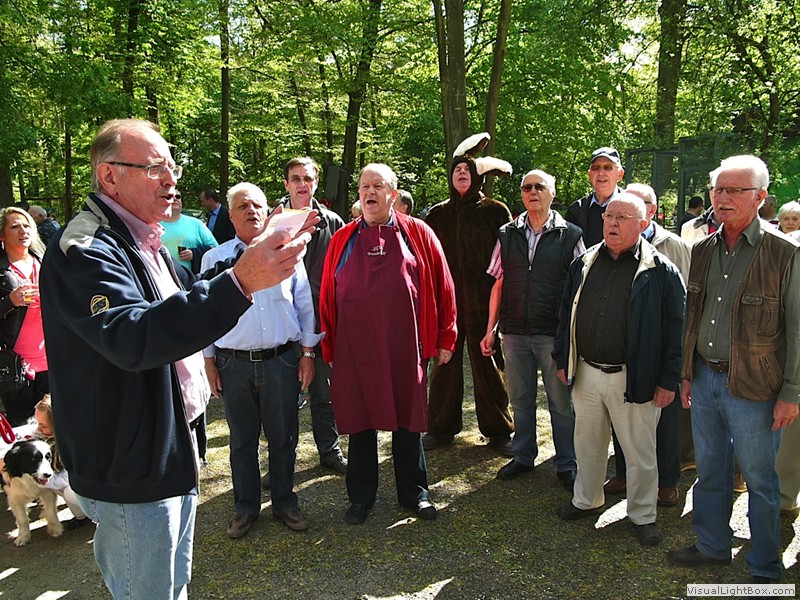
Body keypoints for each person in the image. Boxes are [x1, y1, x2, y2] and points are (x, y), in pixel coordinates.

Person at [40, 118, 316, 599]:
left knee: (173, 585)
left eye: (173, 167)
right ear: (109, 176)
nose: (171, 180)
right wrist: (241, 281)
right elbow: (132, 336)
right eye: (154, 168)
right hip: (132, 464)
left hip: (170, 445)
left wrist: (251, 263)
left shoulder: (144, 239)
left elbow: (180, 312)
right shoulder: (84, 248)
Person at [667, 155, 800, 583]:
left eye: (735, 190)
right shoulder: (702, 249)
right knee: (710, 469)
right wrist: (687, 373)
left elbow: (798, 329)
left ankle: (764, 563)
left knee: (760, 480)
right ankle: (712, 545)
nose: (722, 198)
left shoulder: (785, 252)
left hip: (757, 387)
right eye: (718, 190)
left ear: (760, 197)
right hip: (705, 377)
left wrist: (792, 392)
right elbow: (692, 316)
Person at [320, 163, 457, 524]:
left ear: (393, 195)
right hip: (356, 349)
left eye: (378, 186)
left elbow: (444, 285)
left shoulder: (419, 233)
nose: (370, 192)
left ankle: (415, 494)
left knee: (408, 422)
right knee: (360, 423)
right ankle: (360, 498)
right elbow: (327, 295)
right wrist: (329, 344)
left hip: (405, 345)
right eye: (364, 186)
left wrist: (446, 335)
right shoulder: (342, 239)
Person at [553, 193, 685, 547]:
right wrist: (562, 359)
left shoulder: (661, 270)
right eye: (609, 216)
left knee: (640, 453)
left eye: (623, 218)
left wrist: (667, 380)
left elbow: (677, 330)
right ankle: (587, 500)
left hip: (635, 376)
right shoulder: (584, 262)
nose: (612, 223)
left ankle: (642, 514)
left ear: (643, 224)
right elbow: (565, 313)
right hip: (586, 372)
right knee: (587, 444)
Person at [202, 182, 321, 538]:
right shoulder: (215, 259)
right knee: (242, 441)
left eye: (257, 205)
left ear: (268, 212)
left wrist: (307, 354)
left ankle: (285, 502)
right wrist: (208, 362)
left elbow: (305, 306)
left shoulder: (287, 255)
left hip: (281, 361)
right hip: (233, 364)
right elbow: (204, 314)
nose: (251, 211)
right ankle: (245, 507)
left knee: (283, 437)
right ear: (230, 215)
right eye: (242, 206)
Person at [480, 169, 584, 490]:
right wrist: (490, 329)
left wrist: (575, 334)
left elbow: (582, 287)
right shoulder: (507, 233)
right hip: (514, 332)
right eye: (527, 187)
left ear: (553, 193)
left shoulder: (571, 234)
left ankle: (567, 463)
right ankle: (523, 456)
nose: (533, 192)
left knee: (560, 403)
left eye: (540, 186)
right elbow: (498, 283)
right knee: (521, 400)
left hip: (553, 333)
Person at [423, 133, 514, 453]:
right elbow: (425, 259)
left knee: (489, 363)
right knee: (444, 364)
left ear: (477, 177)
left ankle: (499, 430)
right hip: (446, 303)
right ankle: (440, 428)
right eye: (457, 170)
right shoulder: (437, 214)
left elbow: (509, 257)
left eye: (467, 170)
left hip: (484, 302)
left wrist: (502, 304)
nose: (461, 173)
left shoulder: (495, 211)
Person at [603, 183, 691, 507]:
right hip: (622, 353)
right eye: (616, 210)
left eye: (636, 205)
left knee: (664, 419)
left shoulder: (673, 245)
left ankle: (667, 481)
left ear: (649, 212)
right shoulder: (609, 249)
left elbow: (685, 300)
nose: (620, 216)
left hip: (657, 350)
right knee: (622, 418)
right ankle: (624, 473)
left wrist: (675, 365)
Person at [273, 157, 347, 475]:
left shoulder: (333, 222)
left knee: (324, 393)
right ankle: (280, 462)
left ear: (316, 183)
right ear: (286, 183)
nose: (302, 184)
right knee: (281, 399)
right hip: (283, 320)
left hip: (323, 320)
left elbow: (347, 270)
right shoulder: (273, 222)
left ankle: (329, 451)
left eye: (308, 178)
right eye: (296, 178)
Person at [0, 207, 48, 426]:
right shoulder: (2, 269)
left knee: (55, 428)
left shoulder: (45, 261)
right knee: (23, 430)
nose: (23, 230)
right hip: (14, 368)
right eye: (14, 226)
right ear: (2, 235)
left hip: (51, 360)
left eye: (27, 225)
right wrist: (10, 300)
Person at [32, 395, 89, 529]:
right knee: (60, 488)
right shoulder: (45, 437)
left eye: (43, 425)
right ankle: (81, 515)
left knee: (68, 491)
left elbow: (63, 479)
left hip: (79, 485)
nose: (39, 429)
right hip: (65, 482)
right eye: (37, 423)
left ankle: (86, 514)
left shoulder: (69, 446)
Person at [565, 147, 625, 246]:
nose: (601, 173)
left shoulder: (632, 209)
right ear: (589, 174)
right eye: (596, 168)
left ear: (620, 174)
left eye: (607, 167)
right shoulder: (576, 210)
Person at [161, 190, 218, 273]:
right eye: (170, 196)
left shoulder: (196, 224)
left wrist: (194, 253)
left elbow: (216, 249)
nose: (175, 199)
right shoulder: (153, 225)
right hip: (160, 277)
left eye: (178, 197)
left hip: (190, 278)